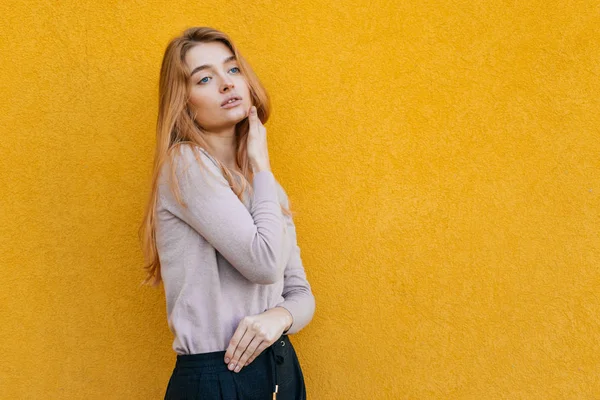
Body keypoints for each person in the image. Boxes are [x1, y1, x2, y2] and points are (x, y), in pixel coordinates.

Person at [138, 26, 316, 400]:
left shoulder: (265, 187)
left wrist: (277, 318)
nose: (225, 83)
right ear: (184, 101)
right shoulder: (185, 165)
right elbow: (264, 264)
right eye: (204, 77)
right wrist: (262, 167)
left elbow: (299, 293)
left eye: (232, 70)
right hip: (219, 376)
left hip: (281, 368)